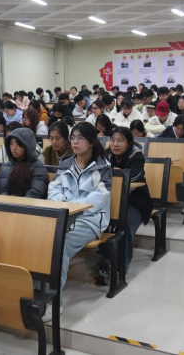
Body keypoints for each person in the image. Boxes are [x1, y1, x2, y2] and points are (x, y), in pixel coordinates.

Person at [44, 122, 112, 318]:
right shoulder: (66, 163)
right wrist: (65, 206)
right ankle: (38, 292)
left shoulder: (103, 167)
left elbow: (97, 200)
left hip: (90, 220)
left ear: (91, 142)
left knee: (59, 245)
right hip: (64, 215)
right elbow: (53, 190)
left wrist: (71, 207)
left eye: (80, 138)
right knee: (41, 239)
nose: (75, 142)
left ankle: (53, 302)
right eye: (73, 137)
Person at [0, 128, 49, 198]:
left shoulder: (38, 168)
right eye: (11, 143)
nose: (14, 148)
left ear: (27, 145)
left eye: (18, 144)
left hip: (24, 204)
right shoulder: (5, 166)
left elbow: (35, 193)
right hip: (1, 204)